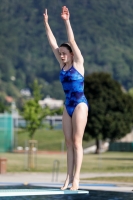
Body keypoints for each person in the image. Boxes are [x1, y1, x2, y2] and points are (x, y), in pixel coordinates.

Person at [43, 6, 88, 190]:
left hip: (79, 105)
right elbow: (52, 43)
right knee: (68, 143)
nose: (61, 55)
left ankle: (76, 178)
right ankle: (67, 178)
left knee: (77, 142)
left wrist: (66, 21)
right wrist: (46, 24)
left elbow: (71, 40)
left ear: (71, 54)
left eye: (64, 53)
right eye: (60, 53)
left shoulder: (78, 63)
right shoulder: (62, 64)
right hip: (67, 104)